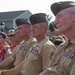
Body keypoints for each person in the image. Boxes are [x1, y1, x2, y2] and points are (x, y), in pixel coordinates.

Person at [39, 1, 75, 75]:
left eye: (60, 16)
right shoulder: (64, 46)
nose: (55, 22)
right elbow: (48, 70)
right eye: (55, 18)